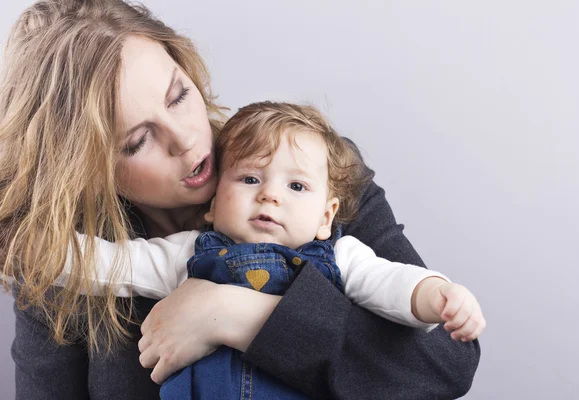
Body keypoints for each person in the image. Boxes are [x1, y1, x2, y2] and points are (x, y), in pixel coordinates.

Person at [0, 1, 481, 399]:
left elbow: (443, 365)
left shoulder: (307, 173)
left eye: (177, 96)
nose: (188, 140)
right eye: (137, 141)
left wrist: (234, 315)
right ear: (80, 171)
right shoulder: (71, 255)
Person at [61, 101, 484, 399]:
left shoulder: (341, 256)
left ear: (326, 216)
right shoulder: (189, 253)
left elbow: (394, 286)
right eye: (249, 179)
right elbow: (113, 266)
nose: (270, 196)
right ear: (212, 203)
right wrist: (39, 250)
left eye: (296, 186)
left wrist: (437, 296)